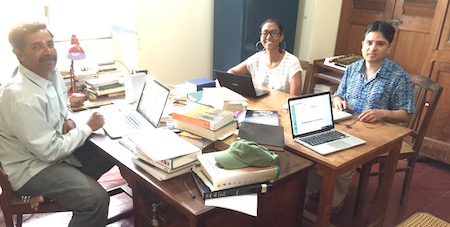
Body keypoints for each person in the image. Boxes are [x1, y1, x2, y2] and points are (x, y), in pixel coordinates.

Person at [0, 22, 114, 226]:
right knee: (95, 201)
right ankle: (47, 190)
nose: (48, 51)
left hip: (50, 152)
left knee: (113, 150)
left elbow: (63, 105)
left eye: (50, 44)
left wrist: (69, 118)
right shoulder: (20, 97)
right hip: (32, 168)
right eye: (37, 46)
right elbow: (50, 151)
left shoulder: (49, 72)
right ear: (20, 54)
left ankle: (53, 193)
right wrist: (87, 127)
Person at [307, 21, 415, 213]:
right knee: (312, 146)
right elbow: (338, 94)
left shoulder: (398, 77)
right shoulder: (352, 69)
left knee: (342, 157)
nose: (372, 48)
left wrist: (382, 113)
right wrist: (338, 100)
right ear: (362, 44)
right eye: (369, 43)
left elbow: (406, 114)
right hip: (346, 123)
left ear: (389, 47)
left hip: (376, 133)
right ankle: (319, 187)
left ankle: (334, 200)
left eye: (380, 44)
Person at [227, 18, 303, 96]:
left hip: (279, 107)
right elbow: (231, 72)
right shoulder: (256, 59)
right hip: (256, 106)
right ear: (260, 36)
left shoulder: (292, 62)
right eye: (265, 33)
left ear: (281, 37)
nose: (269, 37)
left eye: (274, 33)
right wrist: (246, 88)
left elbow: (294, 99)